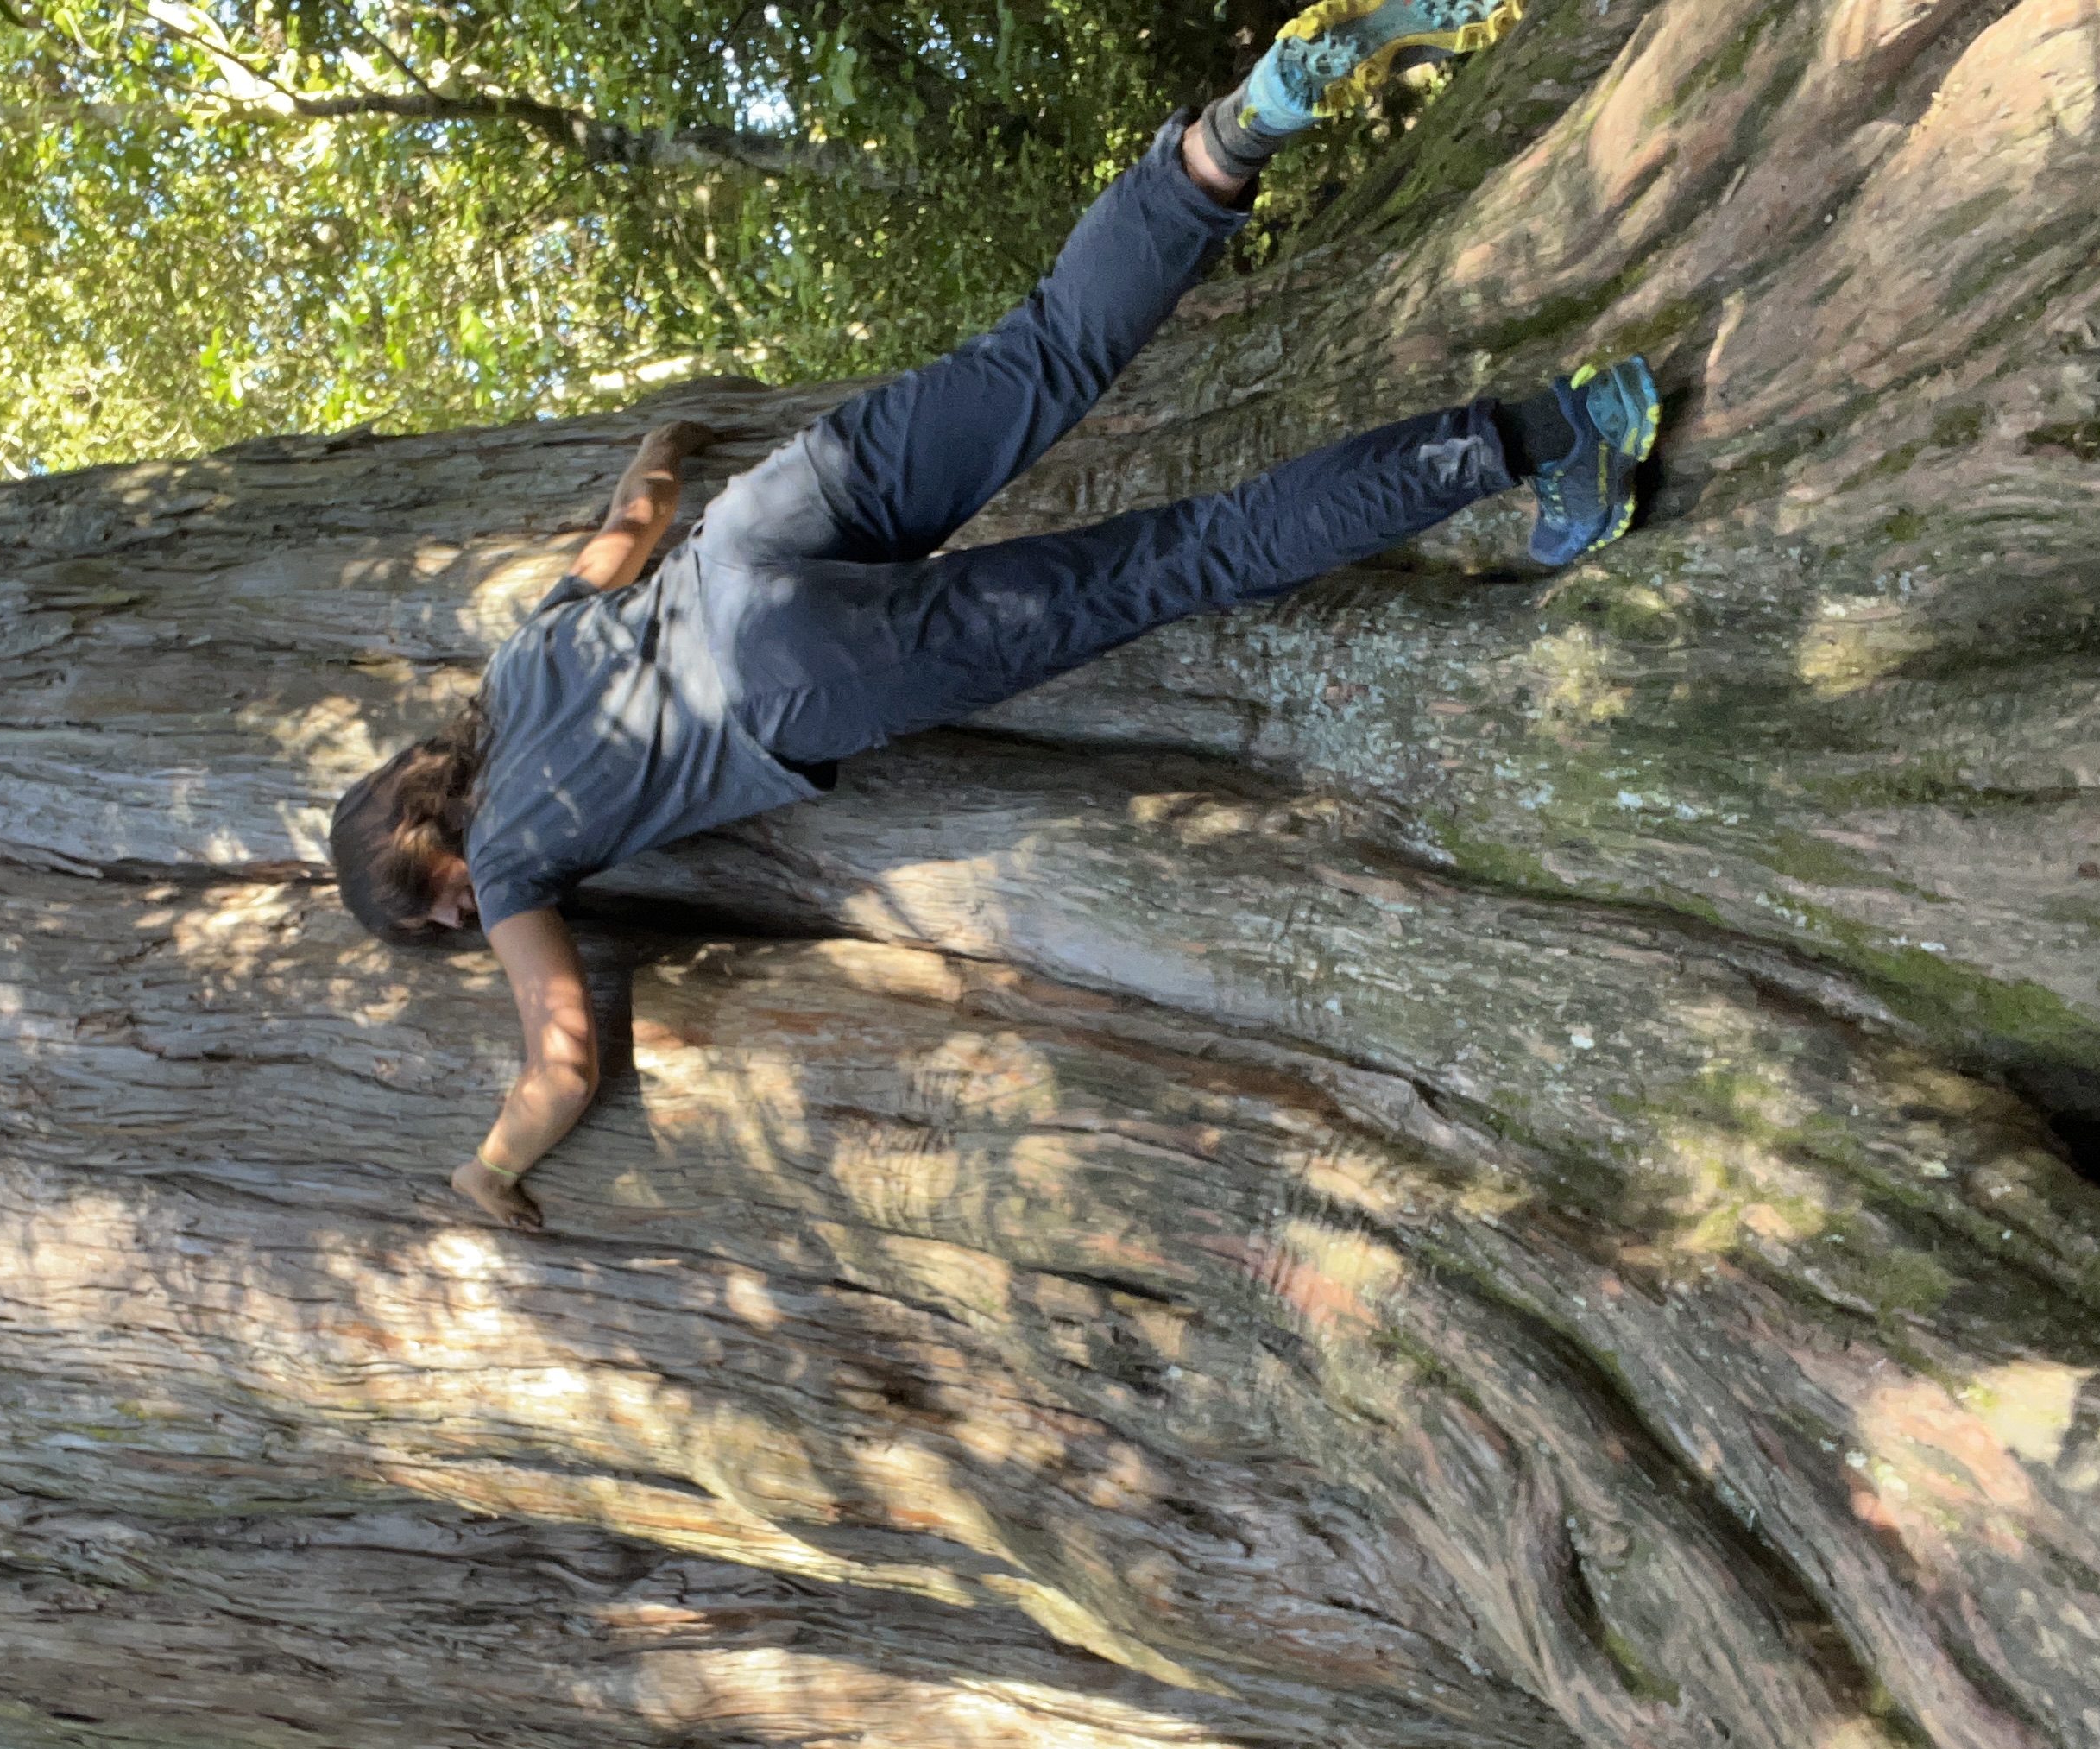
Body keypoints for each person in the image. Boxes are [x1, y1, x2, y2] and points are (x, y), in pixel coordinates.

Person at [331, 0, 1662, 1232]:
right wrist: (662, 450)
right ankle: (1235, 130)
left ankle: (1565, 431)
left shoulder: (507, 874)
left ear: (432, 857)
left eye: (430, 916)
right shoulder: (519, 666)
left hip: (790, 675)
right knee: (1044, 350)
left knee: (1182, 559)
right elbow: (636, 523)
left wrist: (490, 1165)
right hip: (764, 520)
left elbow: (564, 1059)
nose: (458, 931)